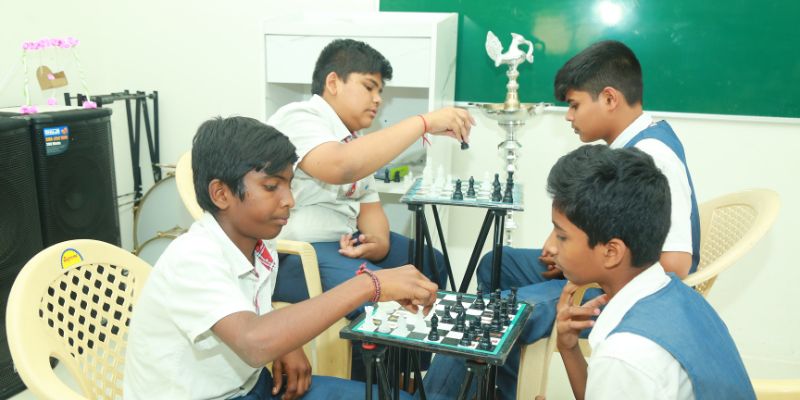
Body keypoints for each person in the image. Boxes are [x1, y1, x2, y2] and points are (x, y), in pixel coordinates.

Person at [425, 40, 701, 399]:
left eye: (574, 105)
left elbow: (676, 264)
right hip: (608, 268)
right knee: (497, 264)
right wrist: (566, 247)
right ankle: (497, 386)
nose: (569, 116)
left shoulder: (653, 156)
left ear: (609, 98)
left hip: (618, 290)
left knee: (488, 316)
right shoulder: (631, 143)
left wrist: (582, 268)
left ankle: (444, 389)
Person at [123, 116, 438, 400]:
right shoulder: (193, 257)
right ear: (221, 194)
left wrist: (287, 344)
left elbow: (249, 311)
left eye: (290, 184)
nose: (289, 200)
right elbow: (253, 342)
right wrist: (369, 284)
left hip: (253, 386)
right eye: (272, 186)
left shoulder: (260, 245)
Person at [266, 39, 474, 313]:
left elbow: (370, 209)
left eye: (380, 91)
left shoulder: (355, 139)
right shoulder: (299, 117)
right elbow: (340, 166)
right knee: (386, 296)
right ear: (333, 83)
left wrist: (377, 244)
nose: (378, 99)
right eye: (368, 87)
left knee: (432, 263)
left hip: (344, 242)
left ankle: (420, 339)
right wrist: (423, 123)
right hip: (298, 252)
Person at [550, 145, 753, 399]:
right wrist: (569, 349)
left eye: (561, 236)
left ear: (612, 252)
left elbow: (621, 373)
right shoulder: (681, 297)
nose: (551, 247)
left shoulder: (625, 354)